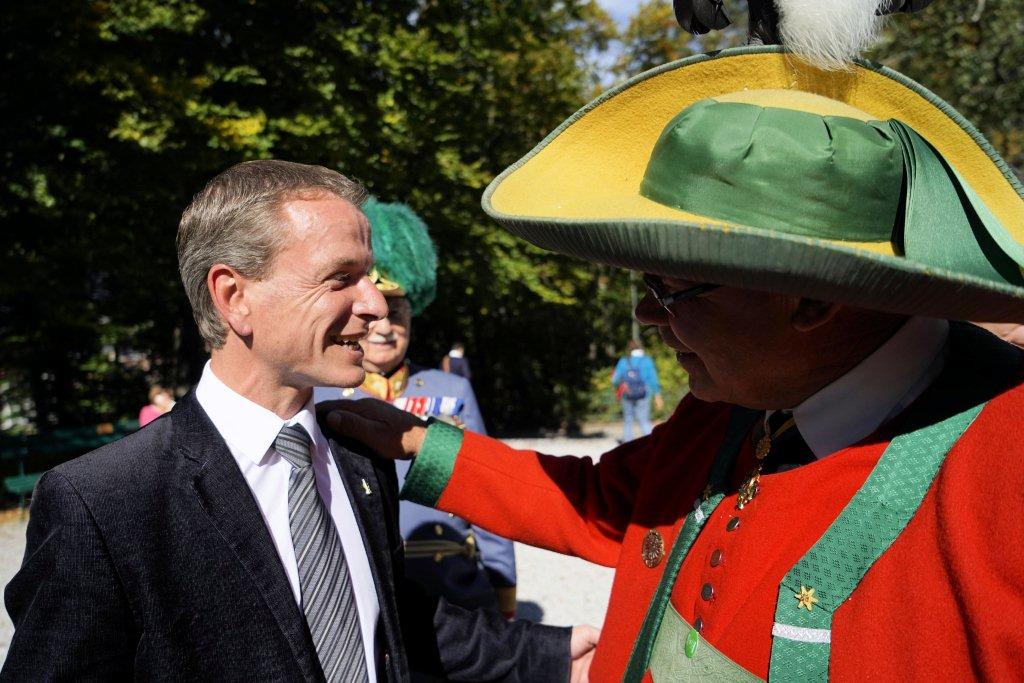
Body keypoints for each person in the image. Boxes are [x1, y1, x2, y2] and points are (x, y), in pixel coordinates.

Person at [326, 47, 1024, 681]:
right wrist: (412, 442)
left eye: (672, 288)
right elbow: (610, 505)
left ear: (810, 299)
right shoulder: (739, 398)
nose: (647, 317)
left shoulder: (1005, 462)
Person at [2, 160, 595, 682]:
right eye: (342, 278)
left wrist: (548, 657)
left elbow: (384, 618)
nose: (376, 305)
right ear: (234, 296)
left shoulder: (359, 452)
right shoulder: (104, 504)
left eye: (371, 275)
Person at [314, 200, 518, 619]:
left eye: (399, 313)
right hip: (359, 591)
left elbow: (486, 487)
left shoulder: (452, 390)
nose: (386, 328)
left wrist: (502, 585)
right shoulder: (316, 395)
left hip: (452, 587)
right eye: (374, 317)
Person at [611, 340, 663, 441]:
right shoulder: (647, 360)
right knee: (644, 419)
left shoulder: (624, 360)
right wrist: (657, 394)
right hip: (644, 392)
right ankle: (651, 442)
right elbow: (653, 378)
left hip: (627, 393)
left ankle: (627, 444)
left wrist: (622, 384)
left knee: (628, 419)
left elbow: (615, 380)